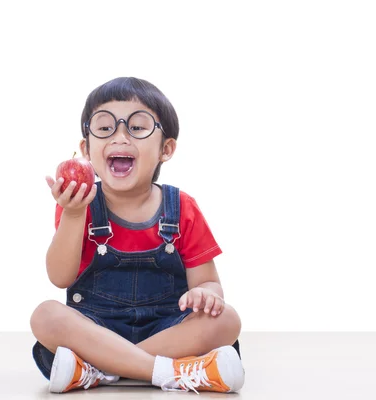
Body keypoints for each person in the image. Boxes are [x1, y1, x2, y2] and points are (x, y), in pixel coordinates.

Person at [30, 77, 245, 394]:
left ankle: (99, 369)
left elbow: (210, 285)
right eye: (104, 128)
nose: (120, 137)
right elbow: (60, 277)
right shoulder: (79, 204)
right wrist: (73, 215)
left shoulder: (182, 207)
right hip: (96, 328)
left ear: (166, 149)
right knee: (45, 316)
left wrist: (206, 295)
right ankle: (173, 371)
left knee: (226, 320)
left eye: (137, 127)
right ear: (86, 149)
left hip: (167, 329)